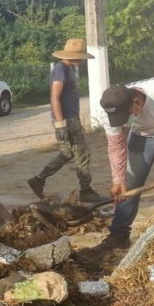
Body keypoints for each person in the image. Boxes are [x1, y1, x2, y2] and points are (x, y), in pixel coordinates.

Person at [76, 78, 154, 262]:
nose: (123, 122)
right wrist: (118, 180)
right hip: (142, 137)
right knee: (128, 186)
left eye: (126, 116)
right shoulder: (110, 110)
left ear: (136, 103)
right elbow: (116, 146)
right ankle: (119, 236)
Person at [27, 38, 104, 203]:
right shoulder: (60, 69)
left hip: (71, 118)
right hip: (66, 120)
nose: (82, 60)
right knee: (77, 153)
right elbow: (55, 97)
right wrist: (60, 123)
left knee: (72, 153)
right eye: (81, 57)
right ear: (72, 56)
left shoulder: (67, 69)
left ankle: (39, 180)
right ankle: (85, 190)